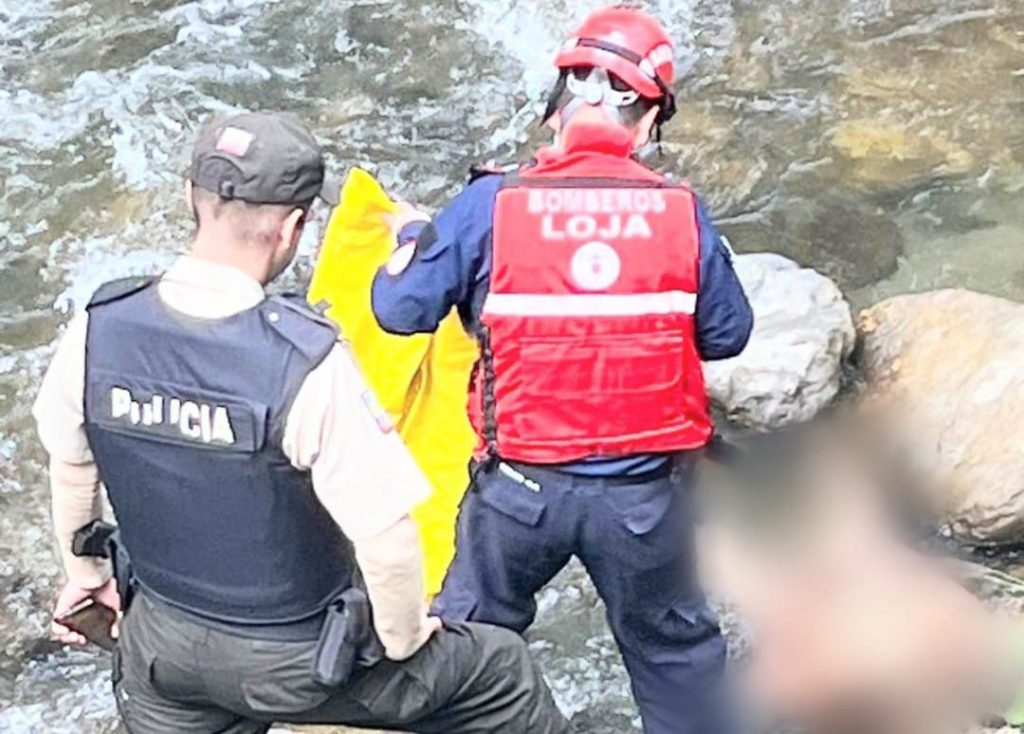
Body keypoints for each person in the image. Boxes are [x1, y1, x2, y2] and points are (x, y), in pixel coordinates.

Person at [33, 112, 570, 734]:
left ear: (190, 198)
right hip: (303, 659)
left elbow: (71, 465)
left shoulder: (100, 325)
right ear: (292, 228)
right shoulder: (303, 362)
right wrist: (405, 644)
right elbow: (386, 535)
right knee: (499, 670)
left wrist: (89, 579)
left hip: (163, 646)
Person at [371, 6, 754, 734]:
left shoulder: (491, 205)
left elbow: (398, 309)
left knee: (464, 661)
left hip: (518, 496)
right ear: (646, 127)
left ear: (556, 111)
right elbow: (729, 333)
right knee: (682, 678)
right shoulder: (681, 212)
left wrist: (421, 237)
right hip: (644, 503)